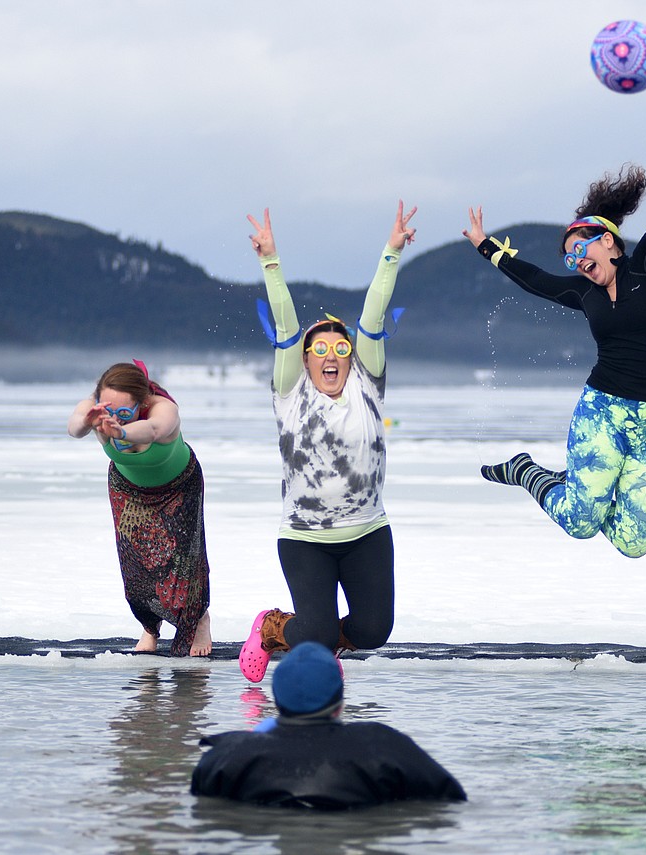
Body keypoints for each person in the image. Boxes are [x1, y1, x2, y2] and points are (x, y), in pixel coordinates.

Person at [461, 100, 646, 559]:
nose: (575, 263)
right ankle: (531, 472)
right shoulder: (584, 293)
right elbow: (534, 279)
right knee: (580, 522)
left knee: (634, 543)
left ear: (608, 241)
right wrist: (486, 246)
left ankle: (587, 484)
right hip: (603, 410)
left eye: (580, 249)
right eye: (569, 258)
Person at [238, 202, 416, 683]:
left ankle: (310, 641)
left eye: (341, 347)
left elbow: (374, 313)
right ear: (304, 359)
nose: (332, 354)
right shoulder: (289, 394)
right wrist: (270, 262)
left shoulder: (367, 385)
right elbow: (286, 324)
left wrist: (391, 253)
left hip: (367, 532)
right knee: (314, 628)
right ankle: (274, 627)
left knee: (374, 631)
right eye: (319, 348)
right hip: (305, 538)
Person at [192, 641, 467, 809]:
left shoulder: (226, 755)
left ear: (275, 703)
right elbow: (452, 800)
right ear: (340, 703)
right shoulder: (382, 745)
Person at [67, 360, 211, 656]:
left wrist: (120, 431)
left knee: (183, 563)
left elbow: (154, 430)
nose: (114, 416)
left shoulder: (162, 409)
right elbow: (74, 429)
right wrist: (88, 420)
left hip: (178, 486)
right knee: (136, 565)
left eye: (124, 412)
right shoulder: (93, 408)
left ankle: (198, 620)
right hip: (128, 488)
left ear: (142, 402)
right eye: (108, 408)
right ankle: (149, 627)